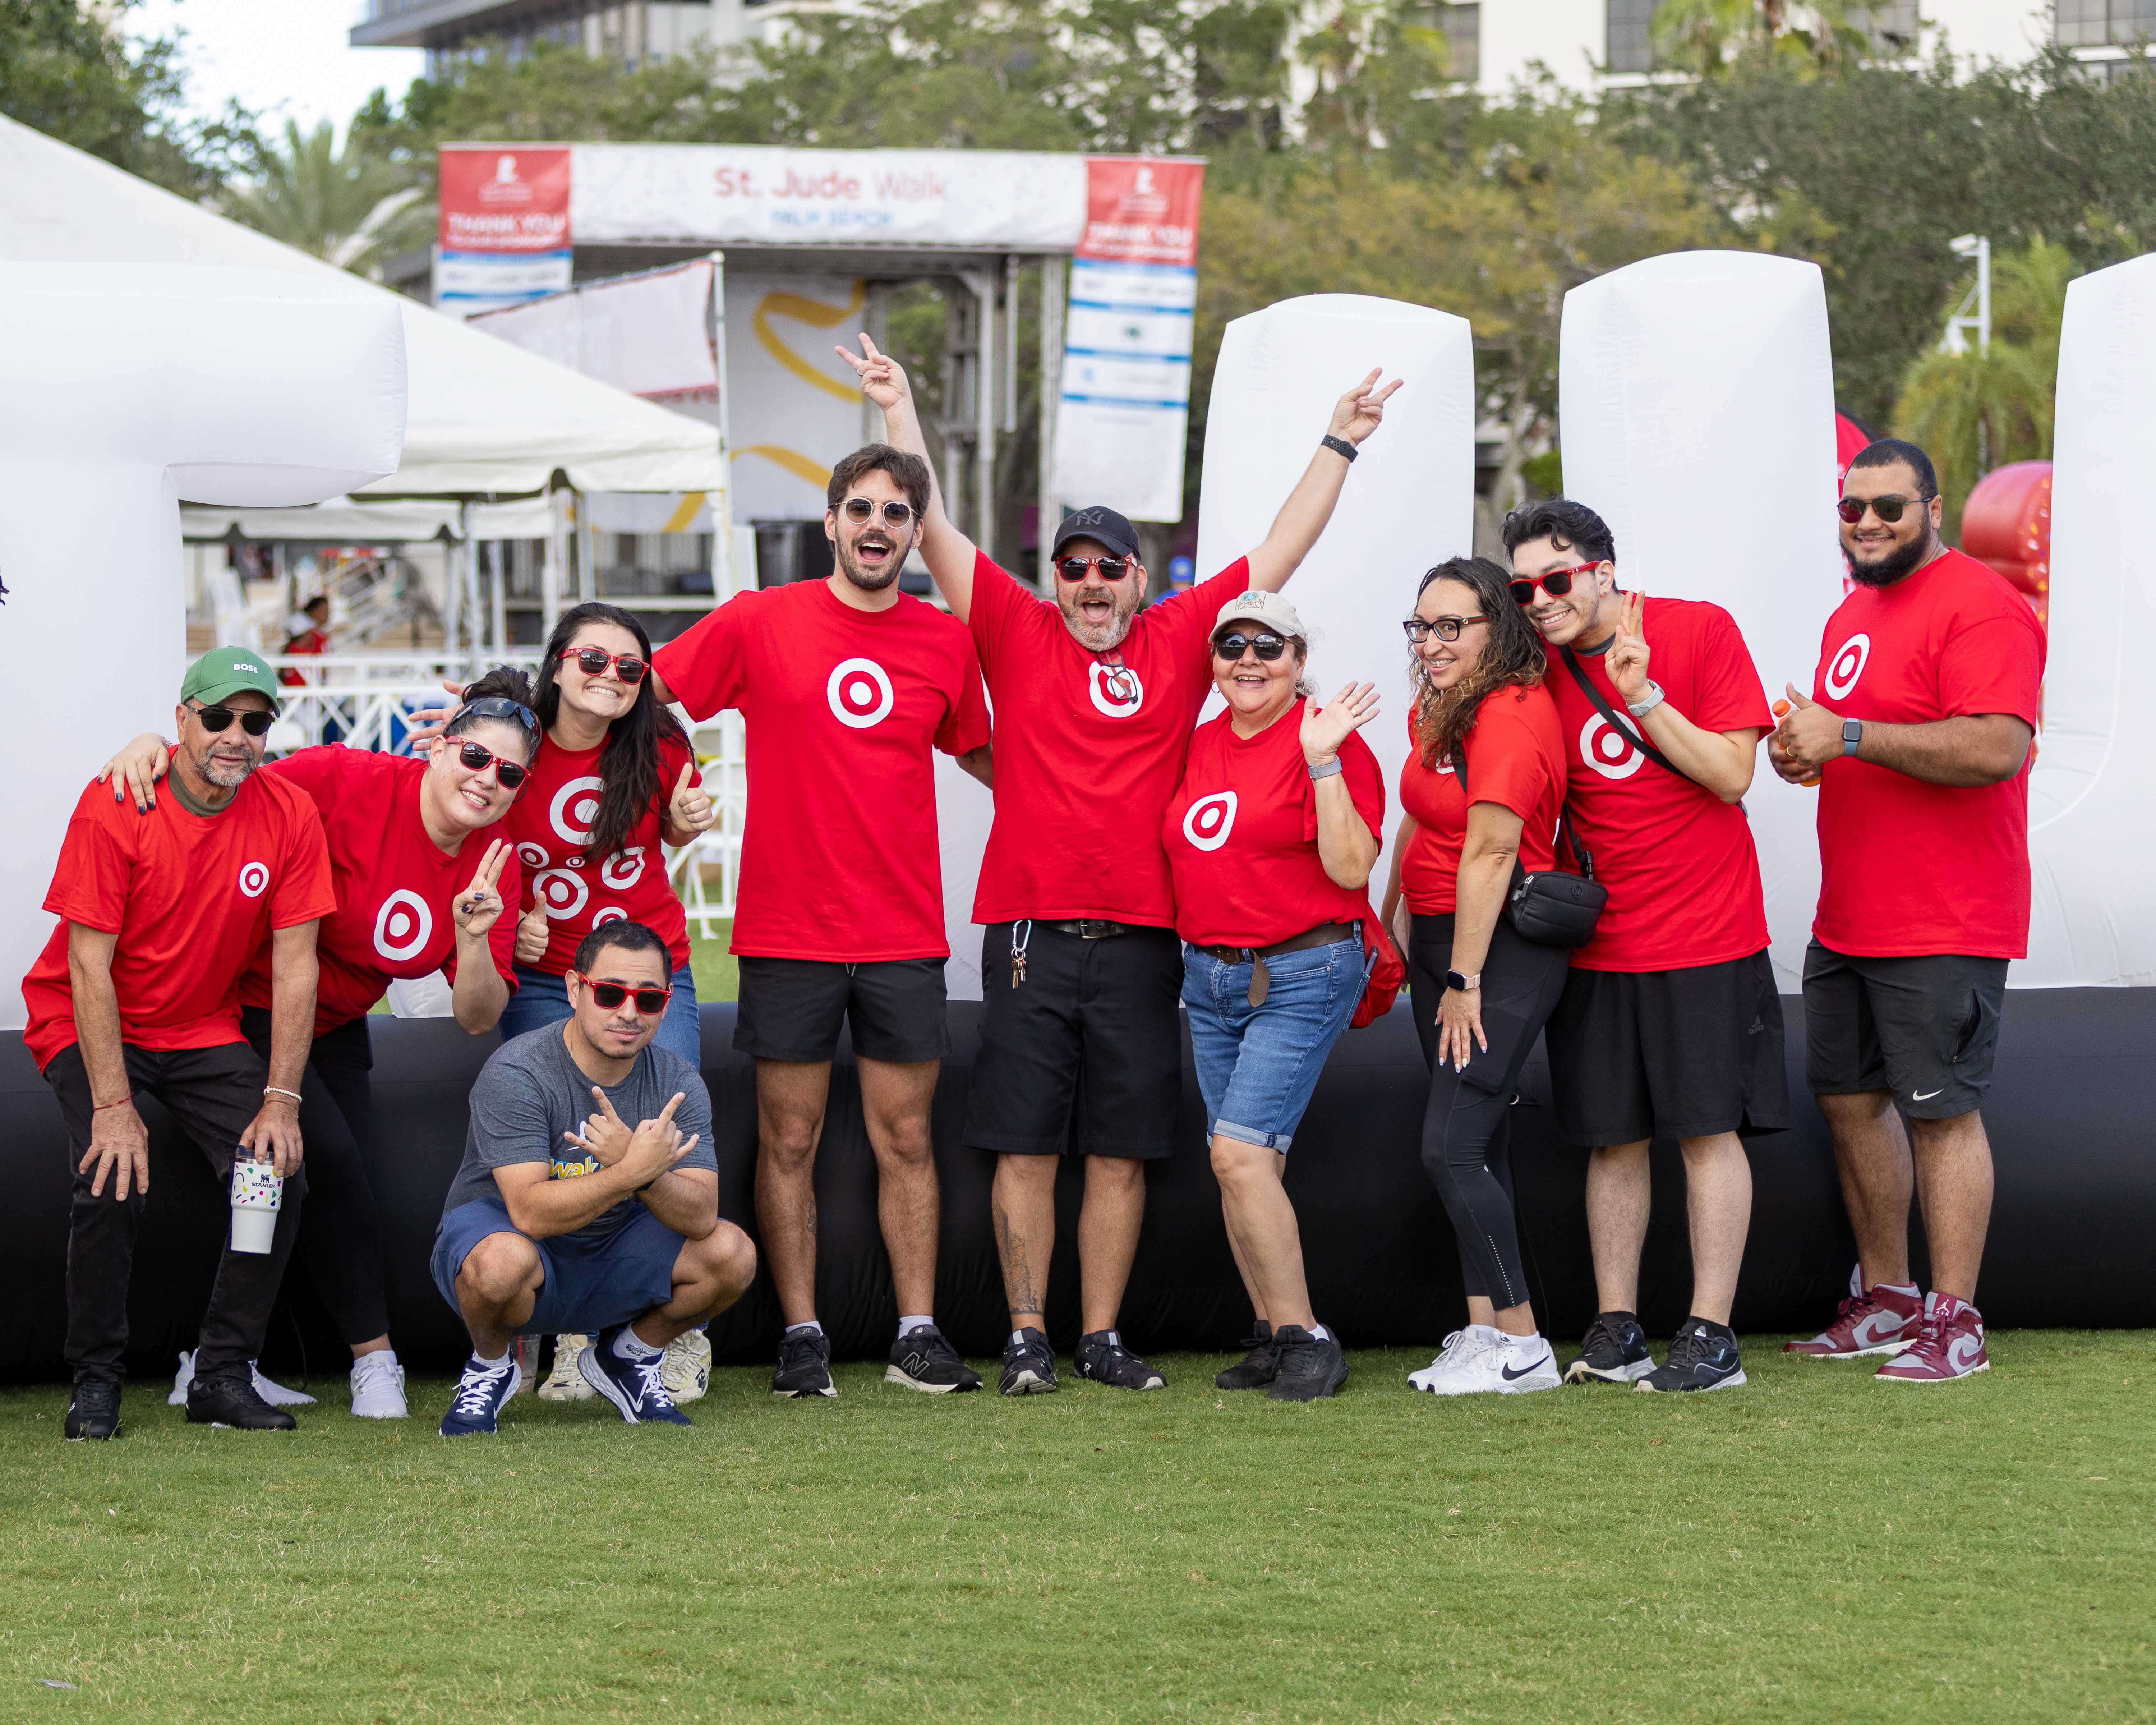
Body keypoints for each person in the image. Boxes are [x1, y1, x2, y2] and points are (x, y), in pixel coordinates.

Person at [844, 331, 1397, 1396]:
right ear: (1052, 580)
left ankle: (1097, 1335)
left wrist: (1339, 439)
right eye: (1074, 569)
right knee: (1024, 1147)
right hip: (1028, 933)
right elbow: (937, 530)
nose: (1091, 585)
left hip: (1148, 940)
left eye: (1109, 569)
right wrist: (896, 410)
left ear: (1139, 578)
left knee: (1119, 1150)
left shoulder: (1187, 636)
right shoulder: (1012, 625)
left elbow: (1281, 548)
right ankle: (1024, 1335)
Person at [644, 445, 992, 1400]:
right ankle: (802, 1336)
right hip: (789, 927)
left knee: (909, 1138)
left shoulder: (944, 641)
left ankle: (918, 1334)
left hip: (904, 932)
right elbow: (651, 697)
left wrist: (1102, 790)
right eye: (860, 509)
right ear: (832, 523)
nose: (877, 525)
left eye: (896, 513)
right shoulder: (763, 620)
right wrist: (674, 783)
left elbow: (990, 758)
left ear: (917, 535)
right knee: (788, 1142)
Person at [97, 695, 536, 1420]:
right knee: (322, 1165)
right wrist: (152, 744)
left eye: (511, 774)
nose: (489, 780)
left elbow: (478, 1017)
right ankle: (371, 1360)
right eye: (477, 757)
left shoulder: (494, 862)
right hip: (240, 1008)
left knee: (331, 1180)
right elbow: (229, 776)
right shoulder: (346, 777)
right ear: (438, 749)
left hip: (331, 1025)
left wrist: (477, 939)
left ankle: (220, 1360)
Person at [1771, 438, 2043, 1383]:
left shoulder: (1980, 603)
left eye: (1889, 507)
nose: (1870, 524)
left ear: (1933, 505)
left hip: (1946, 914)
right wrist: (1804, 751)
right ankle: (1886, 1300)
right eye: (1854, 510)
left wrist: (1846, 733)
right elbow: (1857, 742)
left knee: (1941, 1116)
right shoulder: (1854, 608)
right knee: (1849, 1104)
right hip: (1851, 912)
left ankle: (1955, 1321)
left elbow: (1996, 748)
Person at [1500, 499, 1782, 1394]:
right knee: (1610, 1140)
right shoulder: (1534, 666)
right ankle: (1616, 1328)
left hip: (1706, 933)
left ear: (1603, 571)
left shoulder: (1697, 630)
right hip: (1597, 944)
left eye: (1556, 579)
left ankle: (1712, 1335)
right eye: (1523, 587)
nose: (1540, 600)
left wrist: (1645, 697)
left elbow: (1733, 774)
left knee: (1706, 1131)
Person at [24, 648, 335, 1439]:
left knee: (275, 1177)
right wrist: (112, 1106)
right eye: (220, 717)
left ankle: (223, 1373)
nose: (237, 735)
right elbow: (87, 964)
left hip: (200, 1031)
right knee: (111, 1175)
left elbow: (297, 969)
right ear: (182, 720)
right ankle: (95, 1380)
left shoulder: (289, 812)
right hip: (89, 1018)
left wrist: (281, 1101)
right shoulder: (117, 801)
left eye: (256, 721)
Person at [1167, 592, 1383, 1401]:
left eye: (1270, 645)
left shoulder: (1328, 738)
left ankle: (1306, 1338)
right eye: (1233, 645)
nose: (1249, 659)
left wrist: (1324, 759)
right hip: (1211, 973)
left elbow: (1353, 868)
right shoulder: (1198, 745)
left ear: (1298, 660)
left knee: (1239, 1154)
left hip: (1301, 968)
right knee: (1240, 1164)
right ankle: (1269, 1330)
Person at [433, 920, 756, 1435]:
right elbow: (531, 1213)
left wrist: (643, 1175)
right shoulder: (518, 1071)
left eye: (648, 1000)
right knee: (499, 1264)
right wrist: (630, 1172)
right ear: (574, 989)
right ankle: (491, 1365)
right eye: (610, 993)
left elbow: (701, 1217)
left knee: (733, 1253)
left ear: (667, 1003)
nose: (629, 1012)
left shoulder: (677, 1081)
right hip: (522, 1249)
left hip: (612, 1251)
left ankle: (628, 1355)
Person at [1377, 558, 1570, 1397]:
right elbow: (1422, 824)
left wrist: (1464, 975)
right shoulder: (1442, 706)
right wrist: (1388, 915)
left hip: (1495, 951)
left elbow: (1493, 849)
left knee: (1451, 1146)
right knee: (1478, 1143)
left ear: (1500, 626)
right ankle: (1484, 1331)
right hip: (1438, 942)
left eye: (1452, 625)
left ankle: (1525, 1346)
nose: (1433, 641)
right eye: (1422, 625)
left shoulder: (1513, 711)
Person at [279, 594, 330, 689]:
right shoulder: (303, 628)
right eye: (324, 611)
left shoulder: (319, 635)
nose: (328, 615)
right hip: (298, 682)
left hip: (310, 684)